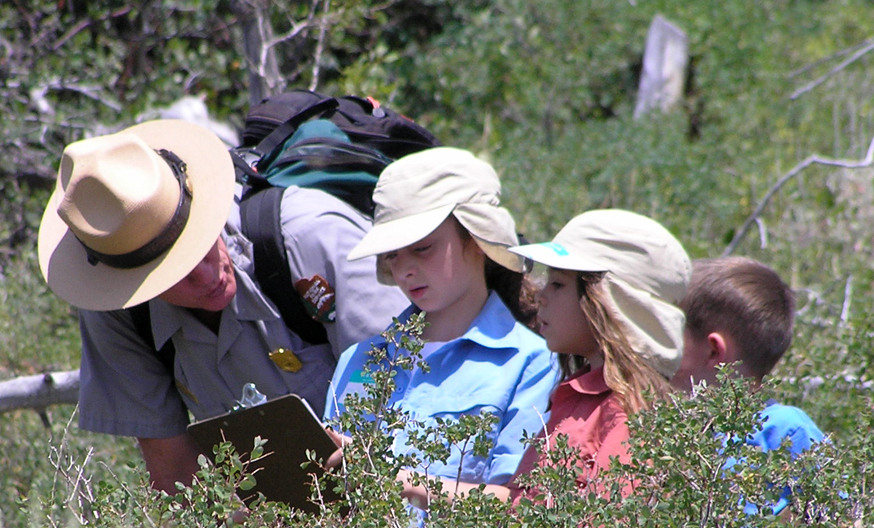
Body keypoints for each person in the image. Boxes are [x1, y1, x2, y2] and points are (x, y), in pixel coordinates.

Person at [37, 119, 409, 494]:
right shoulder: (118, 314)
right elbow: (174, 477)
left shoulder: (311, 236)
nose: (205, 274)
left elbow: (414, 398)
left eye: (201, 243)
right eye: (173, 273)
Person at [397, 209, 692, 508]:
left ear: (607, 301)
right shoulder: (577, 397)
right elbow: (522, 505)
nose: (541, 296)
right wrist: (407, 484)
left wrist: (411, 485)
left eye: (558, 284)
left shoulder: (629, 415)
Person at [324, 147, 558, 489]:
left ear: (477, 239)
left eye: (422, 248)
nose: (404, 269)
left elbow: (518, 504)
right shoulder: (357, 360)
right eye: (392, 254)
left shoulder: (530, 364)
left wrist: (394, 481)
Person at [670, 256, 825, 514]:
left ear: (713, 351)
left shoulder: (787, 431)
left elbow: (841, 514)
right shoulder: (674, 424)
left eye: (673, 334)